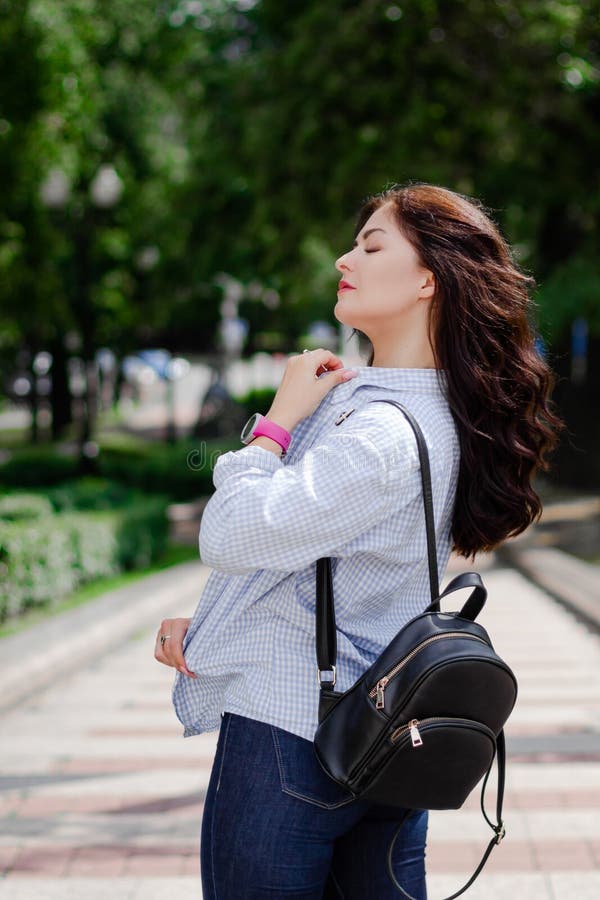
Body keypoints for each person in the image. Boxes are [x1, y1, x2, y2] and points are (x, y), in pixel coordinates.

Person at [155, 182, 561, 899]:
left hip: (292, 738)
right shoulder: (423, 408)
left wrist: (276, 425)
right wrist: (221, 622)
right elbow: (339, 562)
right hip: (384, 734)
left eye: (373, 245)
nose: (346, 257)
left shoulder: (378, 433)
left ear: (428, 280)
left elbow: (229, 533)